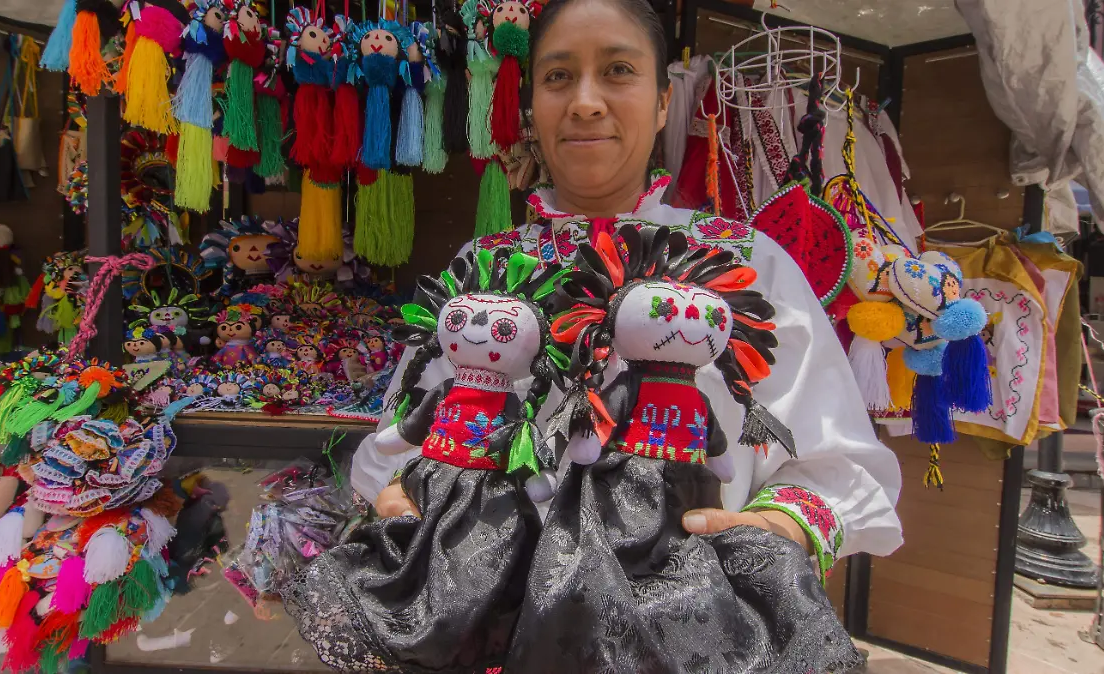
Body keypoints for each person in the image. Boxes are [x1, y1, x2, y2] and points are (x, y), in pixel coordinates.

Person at [346, 0, 903, 668]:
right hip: (486, 636)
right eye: (557, 78)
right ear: (531, 104)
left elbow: (838, 461)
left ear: (663, 101)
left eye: (617, 71)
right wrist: (405, 500)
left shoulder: (744, 264)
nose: (585, 102)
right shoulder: (481, 268)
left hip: (687, 635)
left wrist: (777, 527)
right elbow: (402, 439)